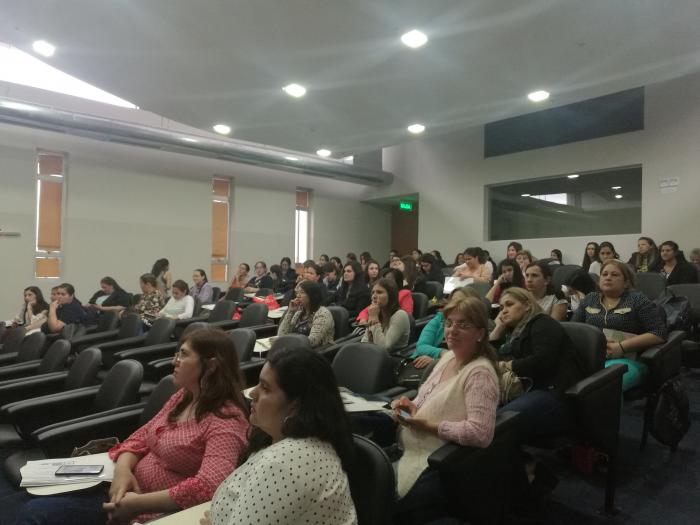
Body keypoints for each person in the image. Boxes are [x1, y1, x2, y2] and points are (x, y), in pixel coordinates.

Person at [14, 329, 250, 525]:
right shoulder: (184, 396)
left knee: (35, 515)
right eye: (177, 353)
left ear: (211, 365)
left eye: (183, 355)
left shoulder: (226, 420)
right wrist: (123, 471)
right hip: (120, 487)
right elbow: (140, 437)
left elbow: (208, 486)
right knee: (28, 503)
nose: (174, 362)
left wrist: (137, 504)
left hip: (152, 511)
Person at [204, 349, 357, 525]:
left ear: (295, 405)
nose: (253, 393)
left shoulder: (287, 462)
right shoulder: (279, 439)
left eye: (265, 388)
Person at [391, 296, 499, 524]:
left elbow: (481, 433)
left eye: (463, 325)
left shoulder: (480, 374)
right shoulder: (449, 357)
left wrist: (429, 426)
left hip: (435, 461)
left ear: (480, 334)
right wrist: (411, 407)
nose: (452, 330)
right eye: (449, 323)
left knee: (381, 501)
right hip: (408, 446)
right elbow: (426, 400)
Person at [490, 287, 583, 438]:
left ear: (527, 306)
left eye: (509, 305)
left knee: (498, 422)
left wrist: (508, 365)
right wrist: (497, 330)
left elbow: (542, 361)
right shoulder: (513, 331)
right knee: (478, 413)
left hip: (551, 389)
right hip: (523, 387)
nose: (504, 311)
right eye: (501, 308)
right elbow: (489, 360)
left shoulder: (542, 323)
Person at [572, 259, 667, 392]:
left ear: (626, 282)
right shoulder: (590, 299)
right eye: (604, 274)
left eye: (615, 275)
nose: (608, 277)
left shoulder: (637, 300)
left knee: (605, 386)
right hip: (591, 358)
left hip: (628, 359)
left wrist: (622, 347)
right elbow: (573, 330)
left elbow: (659, 333)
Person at [410, 286, 480, 369]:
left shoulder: (474, 328)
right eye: (453, 301)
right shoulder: (440, 319)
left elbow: (468, 359)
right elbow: (422, 346)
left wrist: (436, 361)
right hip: (421, 365)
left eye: (461, 302)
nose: (455, 306)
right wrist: (442, 352)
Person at [277, 281, 335, 348]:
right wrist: (290, 312)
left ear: (312, 295)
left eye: (302, 292)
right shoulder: (299, 312)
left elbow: (312, 342)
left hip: (316, 351)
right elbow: (281, 335)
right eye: (297, 293)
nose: (298, 296)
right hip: (296, 348)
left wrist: (290, 344)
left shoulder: (322, 314)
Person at [361, 278, 411, 352]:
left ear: (390, 296)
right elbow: (364, 341)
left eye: (379, 292)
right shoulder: (376, 313)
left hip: (392, 357)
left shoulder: (400, 315)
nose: (374, 296)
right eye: (372, 293)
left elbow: (383, 348)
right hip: (372, 355)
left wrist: (374, 318)